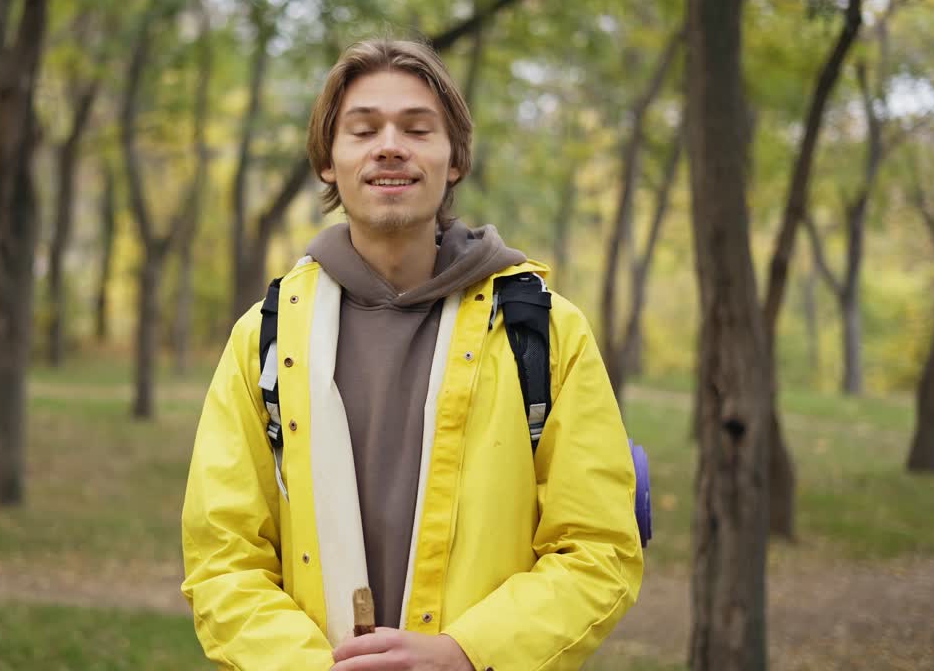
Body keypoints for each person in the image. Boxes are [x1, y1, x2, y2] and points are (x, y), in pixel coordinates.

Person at [181, 38, 642, 670]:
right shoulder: (262, 340)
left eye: (418, 129)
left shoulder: (545, 330)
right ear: (328, 161)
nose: (390, 145)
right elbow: (223, 558)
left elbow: (599, 548)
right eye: (363, 129)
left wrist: (466, 653)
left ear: (453, 160)